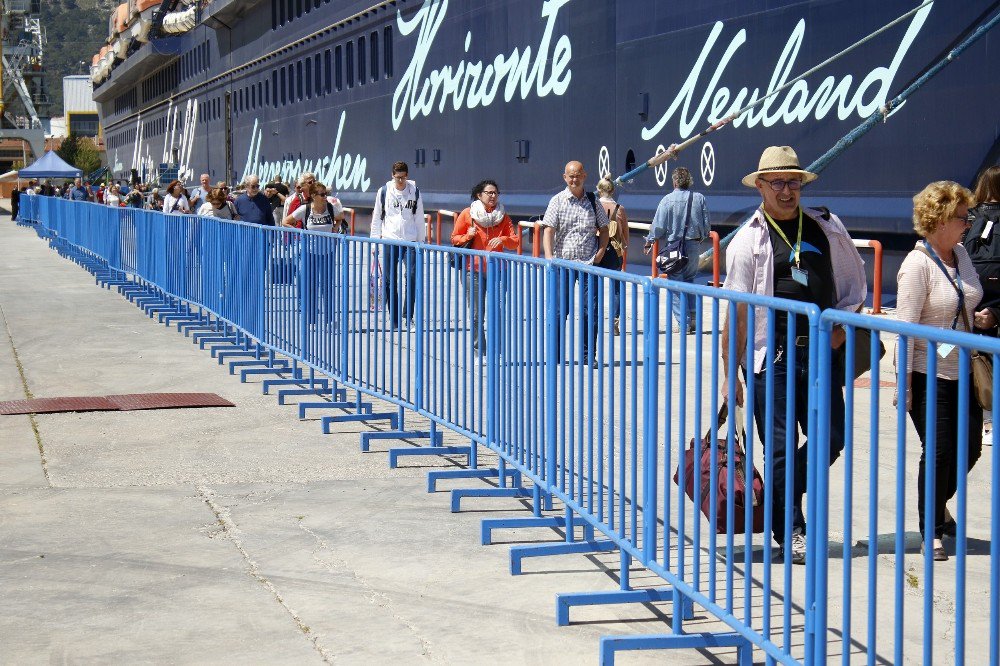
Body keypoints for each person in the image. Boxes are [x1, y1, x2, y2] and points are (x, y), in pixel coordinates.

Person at [721, 145, 866, 565]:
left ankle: (781, 496)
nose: (788, 190)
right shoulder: (749, 240)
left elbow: (853, 285)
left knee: (833, 437)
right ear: (761, 186)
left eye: (794, 181)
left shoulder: (826, 226)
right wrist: (731, 374)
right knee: (780, 448)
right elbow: (739, 313)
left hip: (822, 353)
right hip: (774, 357)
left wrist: (841, 327)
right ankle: (792, 530)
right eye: (778, 182)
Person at [895, 181, 985, 561]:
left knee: (971, 450)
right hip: (927, 372)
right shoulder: (916, 265)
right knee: (940, 450)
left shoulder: (961, 254)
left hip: (963, 367)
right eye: (963, 218)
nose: (968, 224)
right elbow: (904, 329)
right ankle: (930, 530)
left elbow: (970, 295)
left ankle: (938, 503)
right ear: (941, 219)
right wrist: (906, 386)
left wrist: (984, 316)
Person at [540, 160, 610, 366]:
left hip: (589, 263)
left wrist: (600, 252)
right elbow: (549, 229)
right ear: (565, 177)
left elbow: (604, 229)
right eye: (570, 175)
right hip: (563, 263)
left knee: (591, 311)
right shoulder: (557, 201)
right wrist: (549, 257)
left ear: (584, 176)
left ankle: (589, 355)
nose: (574, 179)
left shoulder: (593, 201)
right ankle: (556, 355)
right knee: (560, 310)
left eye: (577, 175)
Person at [450, 180, 518, 355]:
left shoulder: (503, 216)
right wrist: (467, 235)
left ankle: (497, 350)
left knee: (497, 312)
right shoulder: (468, 214)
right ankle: (479, 351)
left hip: (498, 271)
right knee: (476, 314)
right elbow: (454, 238)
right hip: (472, 271)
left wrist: (502, 240)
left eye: (495, 193)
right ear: (479, 195)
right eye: (489, 193)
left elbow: (515, 241)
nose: (493, 196)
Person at [644, 166, 711, 333]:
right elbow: (706, 225)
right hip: (694, 246)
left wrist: (650, 240)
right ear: (689, 181)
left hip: (674, 247)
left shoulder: (667, 200)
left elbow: (658, 226)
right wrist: (700, 237)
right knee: (690, 281)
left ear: (674, 181)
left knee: (675, 285)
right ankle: (694, 318)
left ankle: (684, 323)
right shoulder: (699, 198)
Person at [963, 165, 1000, 439]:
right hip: (996, 301)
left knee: (977, 359)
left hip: (971, 298)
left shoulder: (966, 219)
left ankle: (985, 421)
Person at [371, 161, 425, 329]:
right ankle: (394, 319)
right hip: (390, 239)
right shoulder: (384, 192)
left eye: (403, 177)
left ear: (407, 176)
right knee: (389, 280)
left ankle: (408, 316)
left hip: (410, 240)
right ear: (392, 176)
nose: (400, 181)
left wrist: (421, 242)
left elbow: (419, 217)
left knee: (412, 277)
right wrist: (375, 242)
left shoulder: (414, 191)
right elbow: (377, 217)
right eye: (397, 177)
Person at [283, 182, 343, 327]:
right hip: (310, 253)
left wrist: (335, 228)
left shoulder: (330, 207)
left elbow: (340, 217)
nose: (325, 197)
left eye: (326, 194)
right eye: (322, 195)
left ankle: (329, 320)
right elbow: (285, 221)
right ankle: (311, 320)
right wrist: (300, 232)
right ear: (314, 196)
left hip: (328, 252)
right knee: (311, 286)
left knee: (327, 287)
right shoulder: (305, 209)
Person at [596, 176, 629, 336]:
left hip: (597, 251)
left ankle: (594, 317)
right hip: (615, 252)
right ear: (612, 190)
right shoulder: (619, 208)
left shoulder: (595, 206)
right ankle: (615, 321)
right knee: (616, 289)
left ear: (599, 189)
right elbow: (625, 235)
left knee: (594, 286)